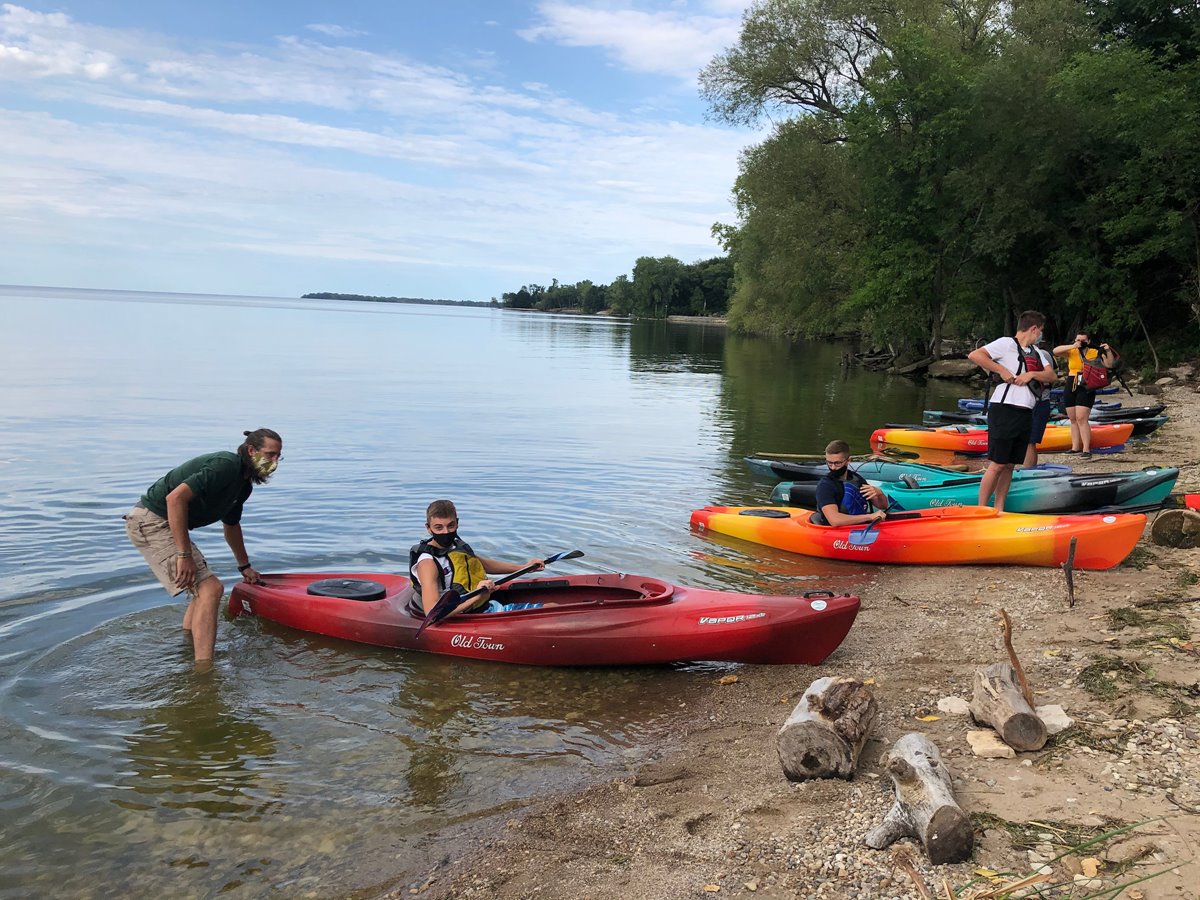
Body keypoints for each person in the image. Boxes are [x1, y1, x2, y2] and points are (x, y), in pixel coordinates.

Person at [124, 428, 283, 664]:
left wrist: (245, 566)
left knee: (202, 592)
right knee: (210, 589)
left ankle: (188, 650)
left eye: (278, 456)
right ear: (251, 451)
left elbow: (231, 525)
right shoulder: (225, 465)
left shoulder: (243, 485)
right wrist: (183, 555)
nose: (274, 462)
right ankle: (204, 671)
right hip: (152, 521)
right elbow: (175, 499)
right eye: (270, 455)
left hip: (166, 522)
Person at [967, 311, 1056, 512]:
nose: (1040, 335)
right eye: (1040, 331)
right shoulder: (1006, 344)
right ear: (1034, 329)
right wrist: (1001, 370)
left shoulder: (1037, 352)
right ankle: (981, 509)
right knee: (997, 463)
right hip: (1004, 409)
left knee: (1009, 465)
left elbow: (1051, 376)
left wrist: (1031, 373)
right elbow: (976, 355)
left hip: (1026, 411)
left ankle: (999, 508)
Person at [410, 500, 545, 619]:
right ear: (428, 528)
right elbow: (432, 613)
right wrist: (477, 596)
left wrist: (525, 568)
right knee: (547, 609)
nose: (446, 532)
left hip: (481, 607)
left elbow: (483, 564)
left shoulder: (456, 547)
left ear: (457, 523)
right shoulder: (427, 564)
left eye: (450, 525)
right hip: (461, 615)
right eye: (438, 527)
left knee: (549, 607)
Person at [1052, 330, 1117, 459]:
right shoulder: (1072, 351)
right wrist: (1073, 345)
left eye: (1083, 340)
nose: (1080, 342)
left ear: (1089, 341)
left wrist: (1108, 351)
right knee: (1073, 418)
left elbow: (1110, 365)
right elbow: (1055, 351)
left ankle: (1086, 448)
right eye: (1078, 340)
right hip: (1071, 382)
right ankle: (1075, 447)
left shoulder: (1095, 352)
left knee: (1082, 417)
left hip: (1087, 384)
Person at [811, 440, 889, 527]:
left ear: (848, 460)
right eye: (829, 463)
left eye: (837, 463)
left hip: (859, 528)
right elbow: (835, 521)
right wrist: (869, 517)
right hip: (835, 533)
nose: (833, 467)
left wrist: (879, 493)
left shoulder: (857, 480)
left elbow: (882, 505)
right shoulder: (825, 486)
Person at [1022, 338, 1058, 469]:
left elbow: (1050, 377)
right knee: (1028, 441)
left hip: (1040, 401)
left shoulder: (1043, 354)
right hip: (1030, 402)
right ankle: (1027, 469)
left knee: (1030, 441)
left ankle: (1027, 471)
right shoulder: (1028, 353)